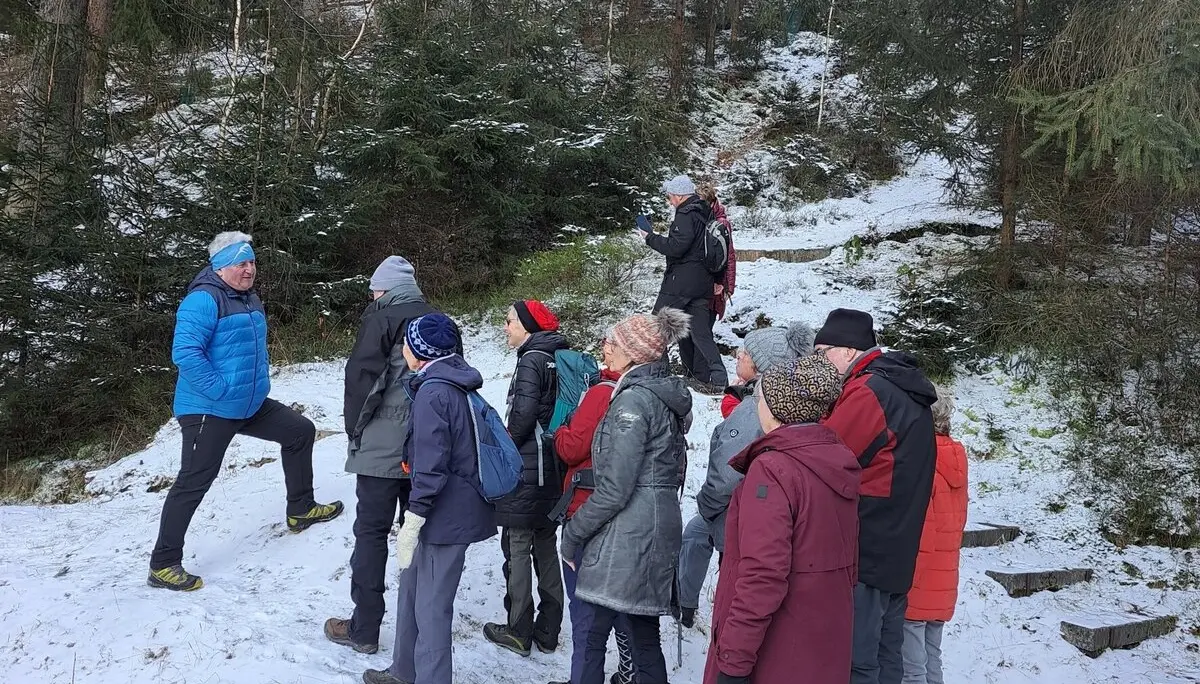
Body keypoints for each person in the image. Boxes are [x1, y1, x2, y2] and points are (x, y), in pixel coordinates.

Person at [147, 232, 343, 591]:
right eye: (241, 263)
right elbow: (185, 354)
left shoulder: (248, 297)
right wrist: (220, 391)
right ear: (222, 267)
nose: (249, 269)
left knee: (300, 431)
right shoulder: (203, 300)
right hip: (210, 408)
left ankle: (300, 509)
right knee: (194, 480)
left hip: (248, 404)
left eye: (252, 262)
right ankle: (163, 564)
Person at [325, 256, 461, 654]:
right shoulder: (440, 321)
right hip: (429, 448)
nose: (372, 296)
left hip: (382, 448)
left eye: (374, 290)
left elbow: (362, 382)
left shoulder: (379, 319)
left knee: (371, 534)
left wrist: (356, 431)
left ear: (383, 290)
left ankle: (364, 628)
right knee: (417, 534)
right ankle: (415, 630)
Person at [704, 355, 860, 684]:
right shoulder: (837, 458)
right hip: (822, 641)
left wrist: (733, 661)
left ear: (776, 409)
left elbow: (762, 575)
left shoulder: (773, 470)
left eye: (759, 398)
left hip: (778, 651)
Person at [362, 313, 498, 684]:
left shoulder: (434, 393)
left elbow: (431, 464)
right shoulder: (445, 381)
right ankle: (403, 671)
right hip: (437, 510)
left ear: (420, 351)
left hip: (444, 516)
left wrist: (415, 516)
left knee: (432, 609)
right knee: (411, 593)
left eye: (406, 343)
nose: (402, 348)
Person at [561, 308, 693, 684]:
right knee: (641, 634)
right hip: (657, 524)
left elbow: (615, 489)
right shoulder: (663, 396)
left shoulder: (633, 402)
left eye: (613, 343)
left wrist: (573, 534)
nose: (605, 348)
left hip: (628, 534)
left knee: (591, 634)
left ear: (633, 353)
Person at [815, 308, 938, 684]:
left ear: (848, 351)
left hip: (866, 545)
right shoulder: (901, 388)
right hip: (898, 546)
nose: (818, 362)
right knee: (888, 654)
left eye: (822, 353)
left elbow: (826, 453)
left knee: (857, 659)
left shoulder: (869, 392)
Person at [677, 322, 814, 627]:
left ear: (763, 364)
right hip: (758, 517)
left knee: (734, 602)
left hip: (739, 516)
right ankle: (685, 603)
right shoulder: (785, 399)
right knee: (697, 535)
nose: (739, 356)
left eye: (747, 353)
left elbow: (727, 472)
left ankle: (696, 616)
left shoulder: (756, 407)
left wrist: (708, 505)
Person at [484, 300, 567, 656]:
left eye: (510, 321)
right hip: (554, 465)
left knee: (517, 544)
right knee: (545, 544)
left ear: (528, 325)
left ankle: (518, 630)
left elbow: (522, 416)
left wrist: (504, 448)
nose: (506, 327)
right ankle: (548, 631)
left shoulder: (532, 359)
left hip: (529, 467)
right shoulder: (558, 356)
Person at [547, 355, 636, 684]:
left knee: (585, 609)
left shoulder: (603, 392)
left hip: (587, 508)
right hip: (631, 516)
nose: (604, 348)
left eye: (612, 343)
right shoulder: (650, 394)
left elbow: (572, 447)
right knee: (621, 602)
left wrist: (560, 430)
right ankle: (632, 671)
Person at [636, 174, 728, 392]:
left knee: (657, 325)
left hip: (681, 283)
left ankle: (658, 372)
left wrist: (649, 237)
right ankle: (718, 379)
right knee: (701, 334)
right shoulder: (705, 211)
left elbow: (676, 247)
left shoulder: (685, 214)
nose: (670, 201)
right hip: (702, 282)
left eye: (670, 196)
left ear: (678, 195)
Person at [902, 387, 968, 684]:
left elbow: (924, 531)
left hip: (921, 580)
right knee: (932, 659)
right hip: (944, 579)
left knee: (912, 670)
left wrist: (907, 582)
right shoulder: (955, 459)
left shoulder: (924, 460)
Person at [697, 182, 737, 330]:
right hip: (699, 282)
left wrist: (729, 287)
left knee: (705, 329)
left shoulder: (721, 224)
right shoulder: (697, 219)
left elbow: (730, 256)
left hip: (716, 283)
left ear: (712, 202)